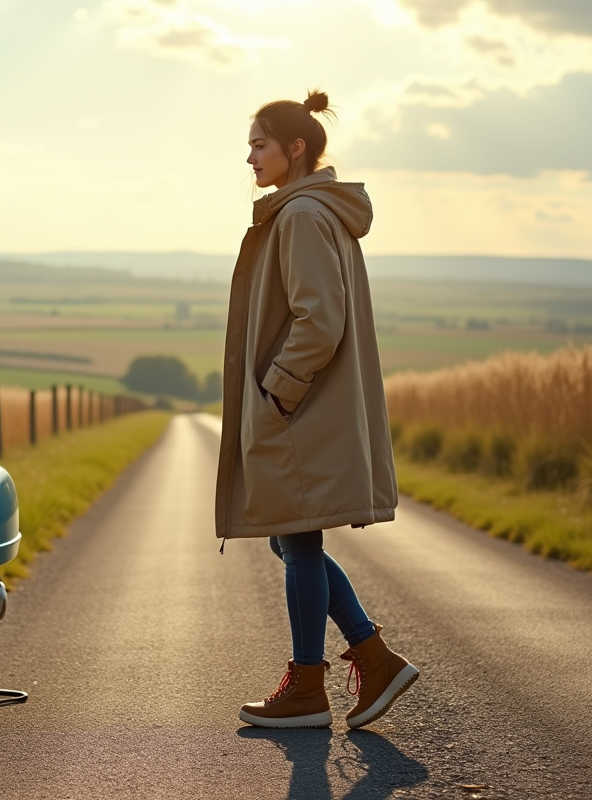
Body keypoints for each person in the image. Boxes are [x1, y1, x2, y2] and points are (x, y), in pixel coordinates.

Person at [216, 89, 418, 729]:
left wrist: (278, 391)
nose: (250, 157)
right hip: (304, 406)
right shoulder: (306, 211)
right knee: (289, 539)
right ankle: (373, 657)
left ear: (295, 148)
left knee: (297, 541)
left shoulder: (302, 216)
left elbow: (319, 320)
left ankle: (309, 687)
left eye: (260, 144)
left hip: (300, 408)